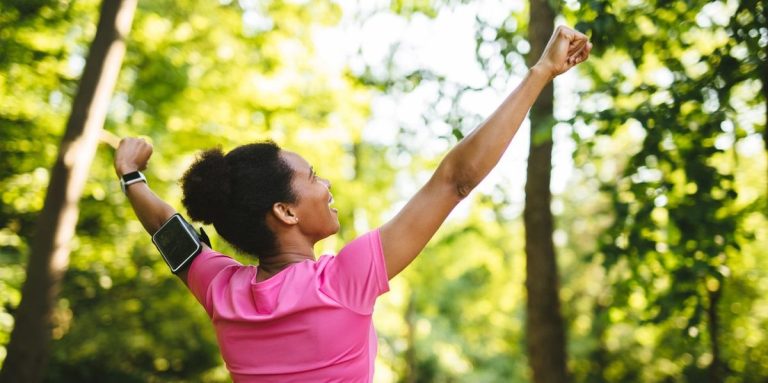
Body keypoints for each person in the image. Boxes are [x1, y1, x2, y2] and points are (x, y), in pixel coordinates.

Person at [115, 25, 591, 382]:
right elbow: (454, 181)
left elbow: (167, 230)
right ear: (286, 212)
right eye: (312, 177)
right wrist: (541, 72)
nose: (326, 186)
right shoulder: (341, 282)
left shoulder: (223, 293)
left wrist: (131, 176)